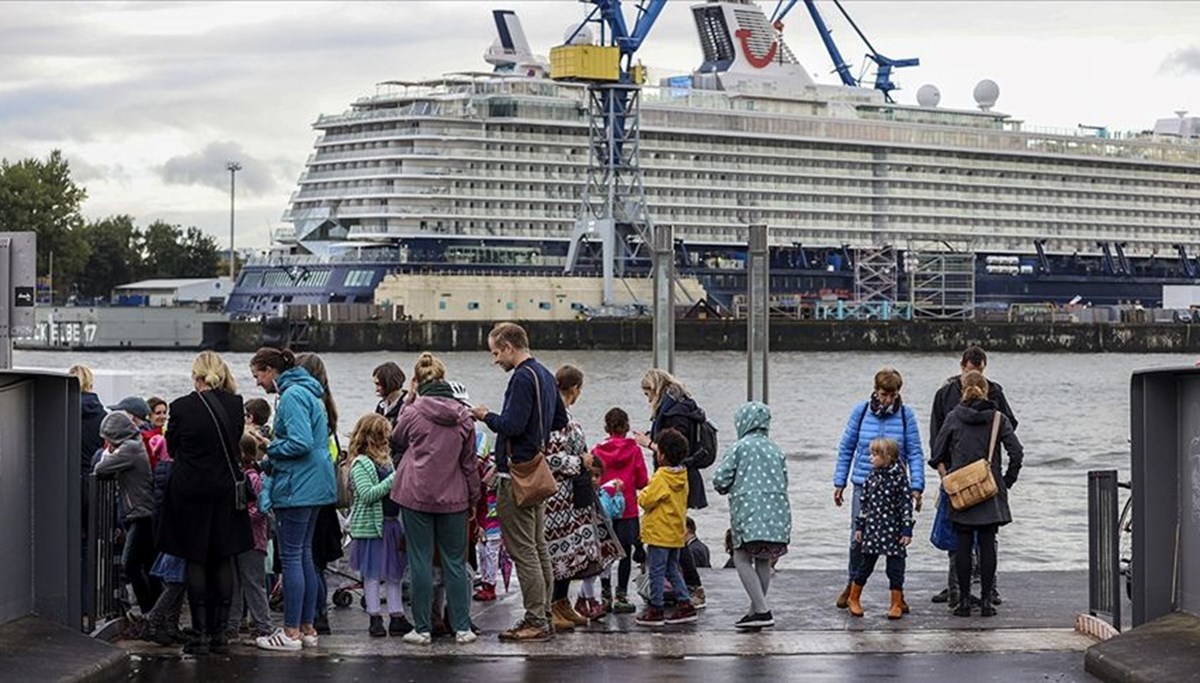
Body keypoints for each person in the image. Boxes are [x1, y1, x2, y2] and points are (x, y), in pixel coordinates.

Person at [470, 322, 568, 642]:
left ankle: (535, 619)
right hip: (536, 470)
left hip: (516, 475)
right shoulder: (545, 375)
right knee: (539, 548)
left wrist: (485, 415)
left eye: (496, 352)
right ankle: (545, 614)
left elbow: (510, 425)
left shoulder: (522, 378)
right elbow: (559, 421)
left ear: (510, 347)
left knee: (523, 550)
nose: (495, 359)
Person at [156, 351, 252, 656]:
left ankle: (198, 633)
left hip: (189, 490)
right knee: (223, 558)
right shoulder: (235, 405)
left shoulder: (182, 407)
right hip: (225, 489)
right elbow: (235, 442)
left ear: (196, 375)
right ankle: (219, 633)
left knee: (195, 559)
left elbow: (172, 446)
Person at [248, 347, 336, 652]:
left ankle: (290, 631)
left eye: (258, 375)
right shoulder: (311, 393)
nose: (258, 382)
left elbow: (299, 443)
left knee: (291, 557)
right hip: (315, 484)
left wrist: (268, 445)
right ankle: (308, 627)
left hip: (297, 486)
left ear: (271, 371)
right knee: (305, 556)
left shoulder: (292, 395)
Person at [391, 352, 480, 645]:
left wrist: (408, 399)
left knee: (420, 561)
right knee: (456, 561)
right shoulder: (464, 416)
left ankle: (423, 628)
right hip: (454, 496)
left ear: (416, 380)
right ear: (444, 379)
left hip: (416, 494)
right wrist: (474, 496)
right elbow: (469, 463)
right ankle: (463, 627)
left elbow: (397, 439)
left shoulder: (413, 412)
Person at [929, 345, 1019, 608]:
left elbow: (937, 441)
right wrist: (1005, 480)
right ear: (964, 366)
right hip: (980, 476)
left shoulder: (958, 404)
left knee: (962, 537)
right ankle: (970, 591)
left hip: (961, 476)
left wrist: (945, 467)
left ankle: (968, 595)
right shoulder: (949, 394)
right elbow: (1012, 436)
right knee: (981, 539)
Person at [832, 367, 925, 611]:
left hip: (896, 487)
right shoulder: (861, 412)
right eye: (884, 394)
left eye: (892, 395)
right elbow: (846, 447)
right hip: (865, 484)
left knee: (898, 541)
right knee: (858, 538)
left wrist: (917, 486)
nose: (887, 400)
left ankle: (898, 594)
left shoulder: (906, 416)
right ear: (876, 391)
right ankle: (852, 585)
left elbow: (915, 452)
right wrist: (839, 482)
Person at [712, 401, 792, 630]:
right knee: (763, 559)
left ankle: (763, 610)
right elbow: (784, 480)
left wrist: (726, 488)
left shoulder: (740, 448)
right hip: (777, 513)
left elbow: (721, 479)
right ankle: (755, 611)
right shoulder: (775, 449)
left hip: (748, 512)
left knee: (741, 557)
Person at [541, 365, 608, 631]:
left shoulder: (562, 414)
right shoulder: (555, 417)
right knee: (557, 552)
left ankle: (561, 602)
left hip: (572, 496)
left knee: (570, 552)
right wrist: (579, 461)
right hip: (556, 496)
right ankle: (551, 605)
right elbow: (548, 457)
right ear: (576, 388)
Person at [635, 369, 708, 608]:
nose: (648, 400)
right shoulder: (680, 405)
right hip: (680, 477)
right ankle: (683, 589)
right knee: (677, 532)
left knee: (675, 538)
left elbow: (677, 448)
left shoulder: (674, 411)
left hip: (671, 478)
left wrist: (649, 443)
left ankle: (689, 588)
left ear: (656, 390)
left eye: (648, 393)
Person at [294, 352, 344, 637]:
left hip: (308, 487)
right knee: (318, 559)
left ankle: (313, 613)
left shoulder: (305, 402)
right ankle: (319, 612)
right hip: (326, 488)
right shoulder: (328, 404)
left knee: (307, 556)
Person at [346, 414, 408, 638]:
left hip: (391, 524)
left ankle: (397, 614)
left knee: (394, 573)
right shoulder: (361, 463)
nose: (387, 440)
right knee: (372, 574)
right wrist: (393, 480)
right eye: (383, 436)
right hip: (372, 527)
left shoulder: (387, 461)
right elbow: (366, 494)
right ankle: (374, 616)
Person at [93, 412, 161, 615]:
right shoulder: (136, 444)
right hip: (144, 512)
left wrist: (108, 452)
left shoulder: (129, 449)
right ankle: (157, 614)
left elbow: (100, 467)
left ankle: (149, 611)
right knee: (149, 566)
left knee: (129, 565)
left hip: (139, 514)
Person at [635, 428, 698, 627]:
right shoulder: (682, 476)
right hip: (675, 533)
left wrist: (641, 493)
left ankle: (656, 608)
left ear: (661, 455)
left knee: (656, 570)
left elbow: (646, 500)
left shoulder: (661, 477)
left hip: (659, 534)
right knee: (672, 570)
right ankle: (685, 603)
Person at [590, 406, 649, 613]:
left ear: (607, 427)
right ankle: (622, 596)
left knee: (606, 552)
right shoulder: (634, 450)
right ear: (626, 426)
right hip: (627, 511)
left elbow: (590, 478)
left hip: (603, 510)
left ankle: (605, 595)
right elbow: (642, 481)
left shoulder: (597, 451)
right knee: (625, 554)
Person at [848, 438, 914, 620]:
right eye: (871, 454)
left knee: (895, 568)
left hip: (894, 530)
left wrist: (907, 529)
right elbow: (864, 504)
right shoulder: (871, 476)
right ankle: (853, 598)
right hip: (873, 530)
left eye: (875, 454)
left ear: (888, 457)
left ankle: (896, 602)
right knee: (865, 565)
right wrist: (860, 527)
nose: (871, 458)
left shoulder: (900, 478)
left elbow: (906, 505)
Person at [225, 433, 274, 643]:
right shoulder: (243, 474)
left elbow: (260, 509)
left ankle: (263, 624)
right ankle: (233, 623)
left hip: (252, 538)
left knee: (253, 582)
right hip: (240, 537)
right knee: (235, 582)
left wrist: (240, 515)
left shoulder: (252, 477)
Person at [373, 361, 407, 428]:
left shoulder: (407, 405)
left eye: (378, 384)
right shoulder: (381, 406)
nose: (376, 389)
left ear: (389, 383)